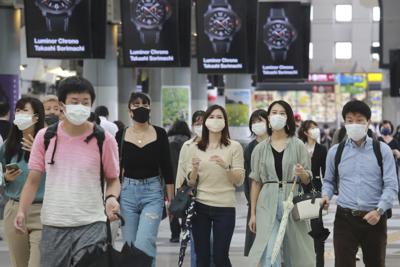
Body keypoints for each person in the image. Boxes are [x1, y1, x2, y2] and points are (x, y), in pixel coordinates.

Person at [14, 76, 121, 267]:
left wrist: (111, 198)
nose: (80, 106)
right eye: (75, 102)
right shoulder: (45, 137)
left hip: (92, 223)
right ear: (62, 105)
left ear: (91, 105)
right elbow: (32, 180)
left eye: (85, 102)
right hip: (54, 224)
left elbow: (113, 178)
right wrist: (22, 210)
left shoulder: (104, 139)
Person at [321, 100, 399, 267]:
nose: (354, 124)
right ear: (344, 123)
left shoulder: (382, 150)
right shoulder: (335, 152)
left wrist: (379, 211)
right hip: (345, 218)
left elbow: (391, 185)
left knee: (375, 263)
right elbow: (328, 181)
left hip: (375, 218)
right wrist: (325, 196)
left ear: (368, 122)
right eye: (349, 120)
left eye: (359, 120)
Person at [248, 100, 315, 267]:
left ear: (288, 118)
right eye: (274, 112)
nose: (277, 116)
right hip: (267, 201)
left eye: (282, 113)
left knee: (296, 249)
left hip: (292, 200)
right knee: (270, 250)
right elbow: (256, 182)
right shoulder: (260, 149)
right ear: (268, 118)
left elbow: (308, 178)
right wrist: (253, 214)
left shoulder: (298, 145)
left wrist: (302, 173)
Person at [116, 92, 174, 267]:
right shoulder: (121, 135)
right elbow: (115, 170)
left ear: (150, 108)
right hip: (127, 193)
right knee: (130, 246)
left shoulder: (160, 133)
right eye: (136, 104)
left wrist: (171, 200)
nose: (141, 107)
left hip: (153, 193)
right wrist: (112, 197)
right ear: (129, 110)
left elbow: (167, 168)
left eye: (145, 104)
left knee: (145, 242)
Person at [186, 105, 244, 267]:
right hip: (200, 206)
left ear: (225, 122)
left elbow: (239, 180)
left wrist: (226, 166)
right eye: (211, 117)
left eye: (219, 117)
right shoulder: (195, 147)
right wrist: (195, 169)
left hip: (225, 207)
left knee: (220, 256)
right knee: (202, 257)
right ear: (205, 122)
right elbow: (191, 182)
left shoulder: (234, 147)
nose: (215, 120)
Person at [0, 97, 46, 267]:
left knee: (37, 263)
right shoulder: (8, 146)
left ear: (36, 117)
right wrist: (4, 178)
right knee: (19, 264)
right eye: (17, 111)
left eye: (24, 111)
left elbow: (60, 172)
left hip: (42, 210)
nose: (19, 115)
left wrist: (41, 153)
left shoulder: (48, 143)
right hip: (14, 209)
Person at [175, 110, 206, 267]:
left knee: (214, 244)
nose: (200, 126)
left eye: (203, 122)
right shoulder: (187, 145)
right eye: (197, 123)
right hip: (193, 199)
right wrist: (178, 197)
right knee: (196, 243)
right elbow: (181, 172)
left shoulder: (219, 144)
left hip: (213, 198)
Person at [298, 120, 327, 267]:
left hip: (316, 189)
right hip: (301, 188)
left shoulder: (322, 149)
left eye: (317, 128)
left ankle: (319, 262)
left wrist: (327, 195)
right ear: (305, 132)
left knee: (317, 226)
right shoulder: (299, 148)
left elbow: (326, 172)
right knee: (301, 226)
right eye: (312, 128)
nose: (316, 131)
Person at [243, 109, 268, 257]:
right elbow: (248, 178)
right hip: (255, 201)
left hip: (274, 197)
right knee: (257, 248)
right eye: (254, 122)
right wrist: (251, 202)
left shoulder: (276, 143)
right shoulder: (250, 148)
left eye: (260, 120)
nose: (256, 124)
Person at [167, 120, 192, 243]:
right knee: (185, 204)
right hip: (185, 179)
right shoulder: (188, 142)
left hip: (169, 178)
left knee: (171, 205)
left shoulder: (167, 141)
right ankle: (185, 231)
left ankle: (174, 234)